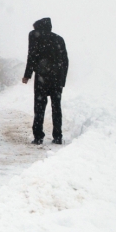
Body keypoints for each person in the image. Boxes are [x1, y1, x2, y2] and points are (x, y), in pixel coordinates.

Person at [22, 17, 69, 145]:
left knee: (39, 107)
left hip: (42, 77)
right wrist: (62, 80)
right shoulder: (59, 39)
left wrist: (27, 75)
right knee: (56, 107)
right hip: (56, 78)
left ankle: (38, 136)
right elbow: (65, 61)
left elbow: (32, 55)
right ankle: (58, 136)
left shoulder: (34, 35)